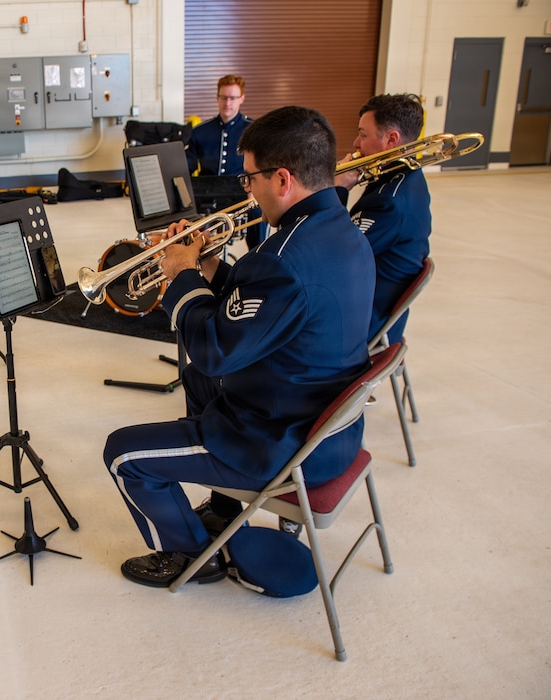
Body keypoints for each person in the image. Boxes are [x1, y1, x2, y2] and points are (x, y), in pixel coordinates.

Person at [103, 106, 376, 587]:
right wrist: (209, 267)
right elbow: (271, 308)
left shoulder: (282, 258)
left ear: (284, 179)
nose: (246, 189)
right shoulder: (344, 233)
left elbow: (213, 348)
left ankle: (189, 554)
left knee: (123, 454)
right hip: (329, 427)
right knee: (197, 379)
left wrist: (180, 276)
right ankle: (226, 502)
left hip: (277, 440)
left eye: (250, 178)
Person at [335, 93, 431, 345]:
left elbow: (334, 253)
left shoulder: (391, 201)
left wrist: (338, 191)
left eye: (363, 135)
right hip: (368, 304)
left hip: (362, 321)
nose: (356, 143)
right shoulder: (403, 176)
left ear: (391, 139)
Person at [185, 74, 266, 250]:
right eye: (223, 97)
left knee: (258, 210)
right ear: (217, 97)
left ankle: (259, 256)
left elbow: (262, 167)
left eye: (233, 98)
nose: (227, 103)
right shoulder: (200, 132)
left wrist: (254, 190)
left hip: (242, 194)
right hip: (206, 196)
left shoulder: (253, 130)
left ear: (241, 98)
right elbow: (187, 168)